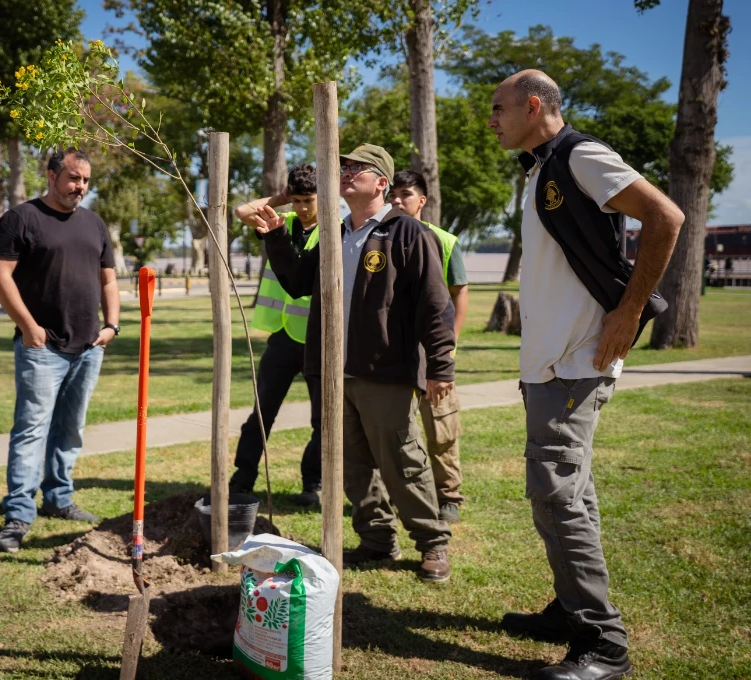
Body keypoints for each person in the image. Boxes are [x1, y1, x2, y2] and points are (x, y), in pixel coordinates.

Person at [488, 70, 683, 680]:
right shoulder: (542, 168)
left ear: (534, 106)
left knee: (556, 495)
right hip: (551, 363)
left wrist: (629, 311)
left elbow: (665, 216)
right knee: (571, 493)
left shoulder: (579, 155)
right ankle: (570, 610)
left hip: (576, 361)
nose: (491, 120)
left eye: (498, 108)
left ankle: (602, 644)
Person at [253, 143, 457, 583]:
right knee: (349, 462)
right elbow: (298, 282)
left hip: (384, 370)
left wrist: (441, 366)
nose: (346, 173)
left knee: (402, 460)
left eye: (357, 169)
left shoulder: (407, 232)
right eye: (344, 167)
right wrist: (275, 236)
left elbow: (434, 305)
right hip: (331, 370)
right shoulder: (334, 232)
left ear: (381, 182)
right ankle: (376, 538)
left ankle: (432, 542)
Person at [0, 148, 120, 553]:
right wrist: (29, 327)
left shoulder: (94, 224)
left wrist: (112, 325)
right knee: (31, 430)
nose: (80, 186)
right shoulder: (21, 219)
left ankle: (59, 498)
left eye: (86, 180)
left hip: (88, 346)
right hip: (42, 347)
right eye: (73, 178)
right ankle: (18, 515)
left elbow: (108, 280)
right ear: (51, 175)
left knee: (70, 429)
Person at [229, 164, 322, 506]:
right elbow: (242, 212)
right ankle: (242, 479)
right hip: (282, 337)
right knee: (261, 412)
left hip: (316, 339)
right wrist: (281, 198)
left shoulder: (335, 230)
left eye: (308, 200)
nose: (302, 207)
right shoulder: (281, 222)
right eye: (296, 200)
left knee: (322, 419)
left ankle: (313, 483)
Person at [389, 170, 469, 523]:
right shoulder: (378, 237)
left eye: (405, 194)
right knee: (396, 431)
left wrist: (447, 349)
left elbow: (459, 295)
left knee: (441, 429)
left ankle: (448, 496)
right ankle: (402, 495)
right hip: (394, 355)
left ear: (422, 200)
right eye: (392, 194)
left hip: (432, 352)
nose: (397, 200)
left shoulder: (444, 240)